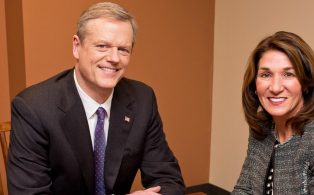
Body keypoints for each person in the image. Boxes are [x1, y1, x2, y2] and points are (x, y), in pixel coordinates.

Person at [7, 2, 185, 195]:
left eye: (123, 49)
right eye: (102, 46)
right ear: (77, 46)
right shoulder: (34, 107)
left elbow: (169, 180)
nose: (114, 58)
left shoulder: (142, 99)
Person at [232, 31, 314, 194]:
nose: (275, 87)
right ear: (254, 85)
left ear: (306, 83)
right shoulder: (261, 127)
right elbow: (245, 189)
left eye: (288, 74)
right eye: (266, 74)